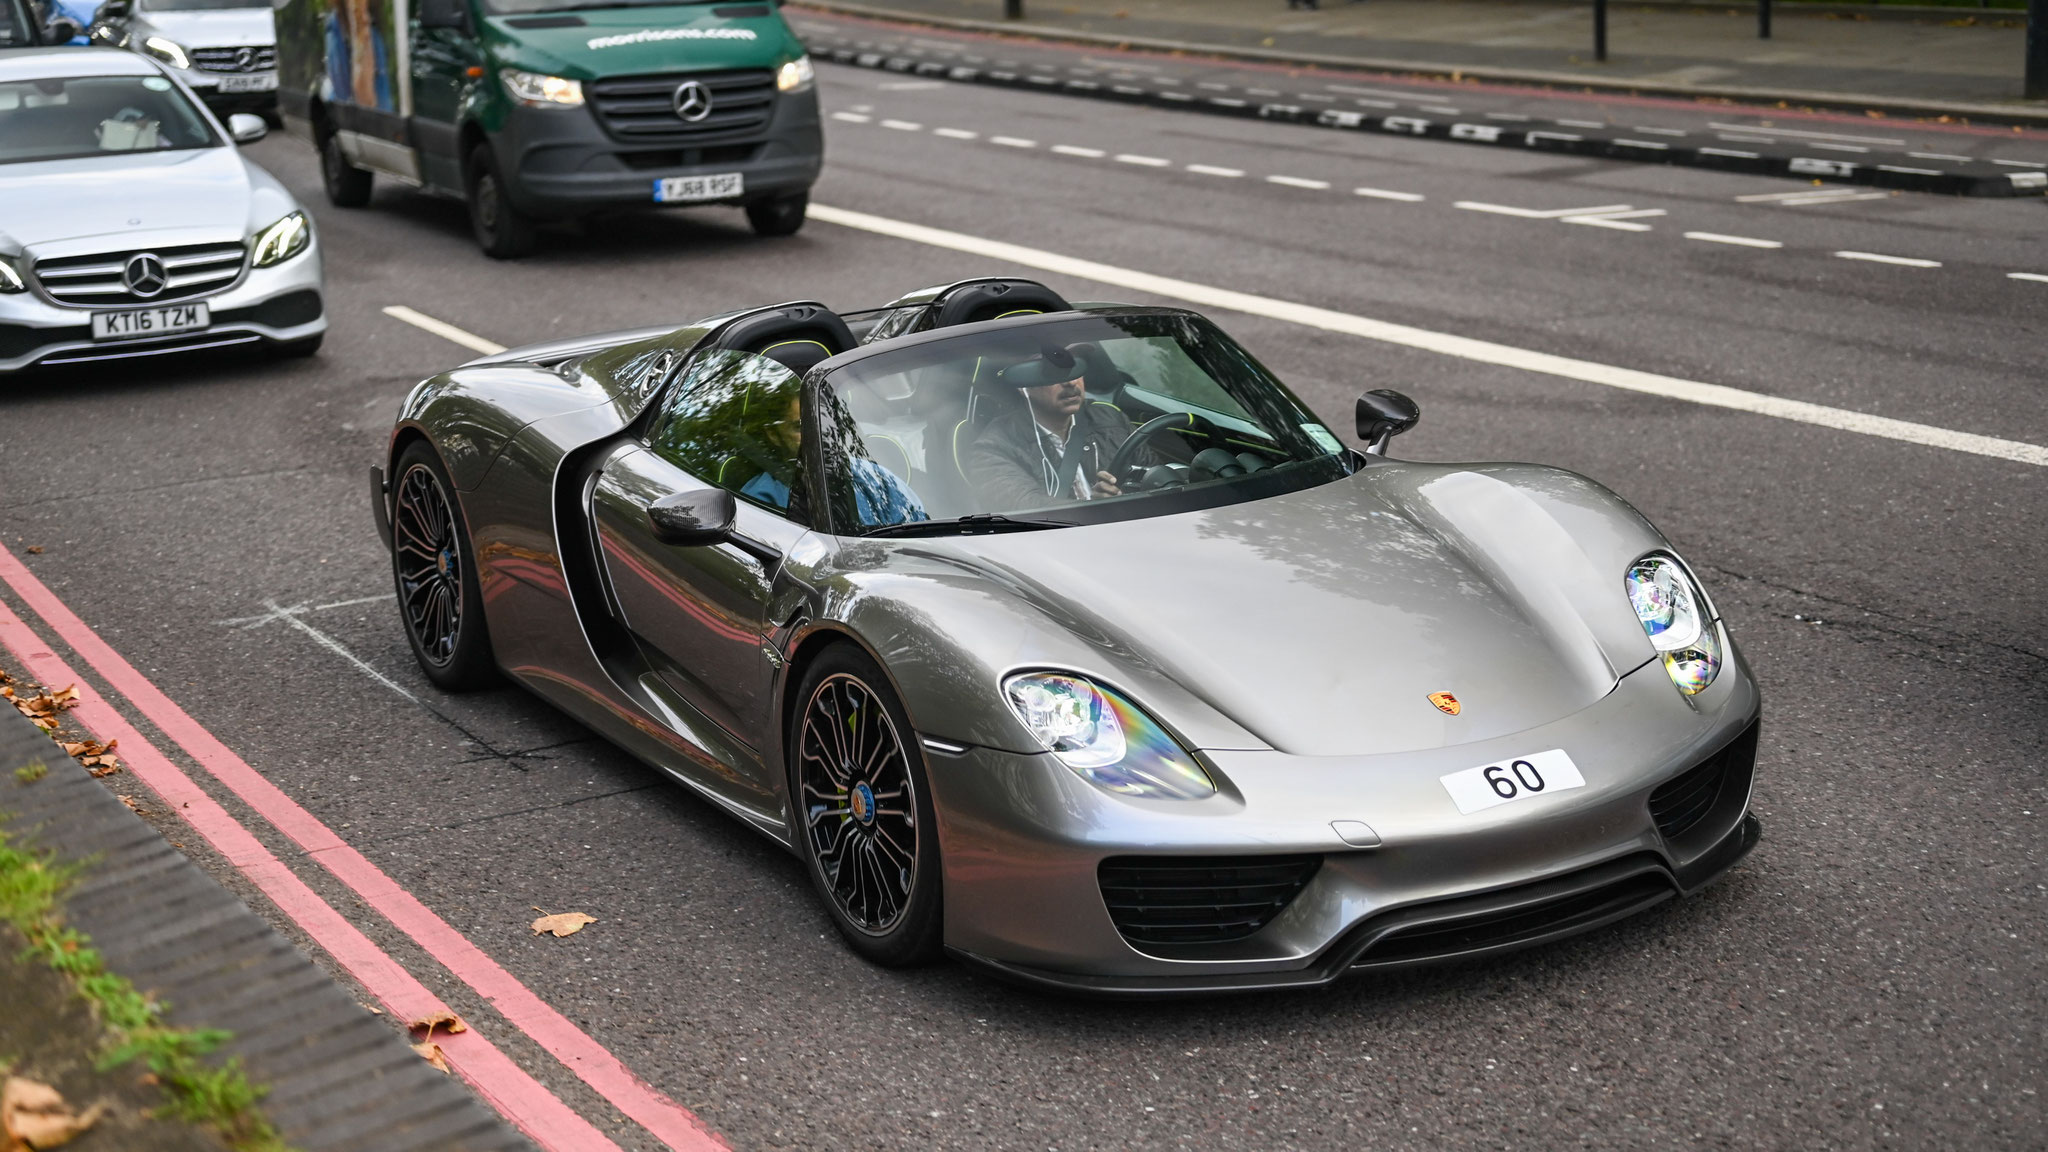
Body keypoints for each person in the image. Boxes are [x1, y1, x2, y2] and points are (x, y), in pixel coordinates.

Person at [963, 345, 1147, 512]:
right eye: (1052, 372)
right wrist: (1097, 506)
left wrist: (1124, 496)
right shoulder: (994, 448)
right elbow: (1027, 510)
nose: (1070, 382)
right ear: (1023, 386)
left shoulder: (1111, 419)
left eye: (1074, 367)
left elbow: (1154, 478)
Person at [738, 394, 926, 529]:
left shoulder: (874, 478)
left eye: (822, 422)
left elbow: (919, 530)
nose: (818, 434)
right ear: (773, 434)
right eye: (799, 427)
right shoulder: (760, 498)